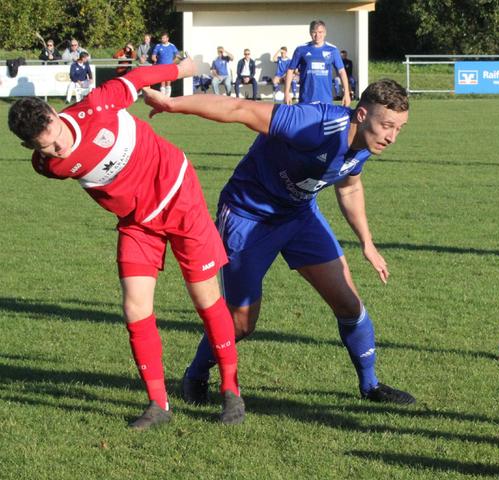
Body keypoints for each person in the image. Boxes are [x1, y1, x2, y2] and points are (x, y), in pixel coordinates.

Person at [143, 78, 415, 406]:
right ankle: (196, 373)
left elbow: (349, 186)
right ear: (360, 114)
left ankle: (370, 385)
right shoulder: (314, 124)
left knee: (349, 304)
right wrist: (172, 104)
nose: (392, 136)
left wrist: (367, 244)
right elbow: (239, 108)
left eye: (399, 128)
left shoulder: (366, 144)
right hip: (248, 215)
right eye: (387, 125)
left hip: (299, 216)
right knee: (242, 323)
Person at [7, 57, 245, 430]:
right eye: (48, 147)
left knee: (205, 299)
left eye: (56, 135)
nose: (60, 148)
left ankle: (231, 392)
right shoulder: (46, 165)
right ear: (30, 148)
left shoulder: (97, 106)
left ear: (55, 112)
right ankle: (158, 404)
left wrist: (183, 70)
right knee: (135, 307)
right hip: (137, 224)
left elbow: (136, 77)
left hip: (178, 197)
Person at [284, 20, 351, 106]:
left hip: (325, 101)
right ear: (310, 33)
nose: (317, 35)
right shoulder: (301, 49)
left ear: (325, 33)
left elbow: (342, 71)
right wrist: (286, 92)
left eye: (320, 32)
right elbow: (290, 70)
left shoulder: (333, 50)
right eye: (314, 32)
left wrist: (346, 94)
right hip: (306, 100)